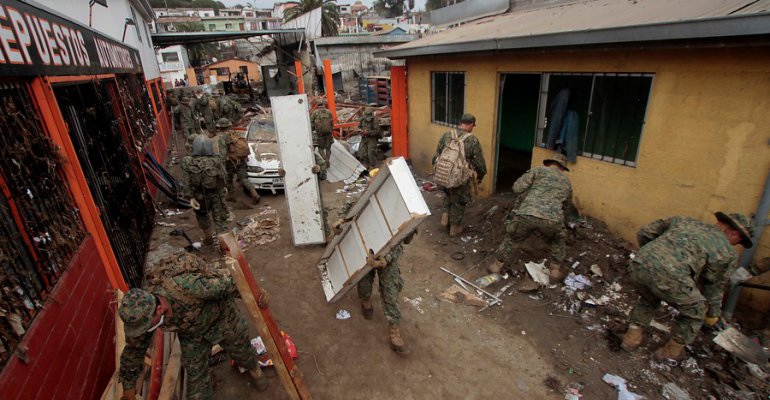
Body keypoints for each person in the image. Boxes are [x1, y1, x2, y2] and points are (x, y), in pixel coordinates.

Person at [117, 253, 271, 400]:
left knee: (242, 352)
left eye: (145, 326)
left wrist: (257, 295)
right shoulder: (142, 316)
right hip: (192, 334)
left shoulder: (189, 287)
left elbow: (231, 285)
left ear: (158, 309)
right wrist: (128, 390)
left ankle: (254, 370)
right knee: (196, 381)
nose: (142, 331)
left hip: (223, 319)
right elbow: (133, 351)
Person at [621, 212, 753, 362]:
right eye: (739, 241)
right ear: (735, 233)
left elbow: (644, 232)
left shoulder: (684, 220)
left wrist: (653, 257)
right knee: (696, 312)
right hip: (670, 278)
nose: (736, 245)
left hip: (638, 265)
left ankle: (631, 338)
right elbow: (714, 287)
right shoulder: (728, 253)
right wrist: (712, 313)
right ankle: (670, 353)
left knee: (649, 296)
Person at [486, 152, 573, 278]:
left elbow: (517, 188)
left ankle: (495, 267)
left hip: (527, 213)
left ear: (549, 164)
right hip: (552, 219)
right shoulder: (567, 182)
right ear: (562, 168)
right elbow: (567, 205)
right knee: (557, 241)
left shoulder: (537, 171)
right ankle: (554, 272)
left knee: (512, 239)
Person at [431, 113, 486, 237]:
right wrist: (481, 175)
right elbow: (479, 163)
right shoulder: (472, 140)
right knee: (459, 201)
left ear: (460, 123)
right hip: (460, 177)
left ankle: (445, 220)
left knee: (448, 194)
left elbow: (436, 155)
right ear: (471, 125)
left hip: (444, 174)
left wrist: (440, 171)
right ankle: (454, 228)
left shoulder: (447, 135)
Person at [180, 135, 229, 244]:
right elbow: (223, 175)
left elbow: (186, 181)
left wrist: (190, 197)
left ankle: (209, 238)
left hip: (199, 195)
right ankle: (223, 244)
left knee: (202, 215)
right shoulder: (216, 159)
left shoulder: (187, 161)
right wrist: (224, 188)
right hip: (216, 194)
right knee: (219, 218)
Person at [213, 118, 260, 206]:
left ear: (220, 127)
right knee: (243, 178)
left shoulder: (222, 137)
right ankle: (255, 194)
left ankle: (231, 195)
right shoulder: (235, 133)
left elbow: (223, 154)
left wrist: (221, 165)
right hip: (241, 159)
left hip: (231, 162)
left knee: (229, 179)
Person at [310, 98, 334, 164]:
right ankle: (328, 159)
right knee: (328, 148)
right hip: (328, 133)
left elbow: (311, 122)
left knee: (320, 149)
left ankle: (325, 159)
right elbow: (332, 122)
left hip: (320, 134)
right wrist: (331, 129)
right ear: (324, 104)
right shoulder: (329, 112)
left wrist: (313, 130)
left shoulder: (315, 112)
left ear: (317, 104)